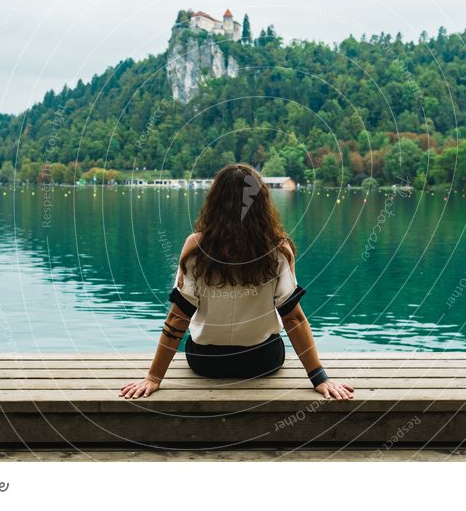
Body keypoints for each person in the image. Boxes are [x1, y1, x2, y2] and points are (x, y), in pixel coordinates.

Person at [120, 164, 354, 400]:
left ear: (214, 202)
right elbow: (293, 317)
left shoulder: (196, 250)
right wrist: (319, 378)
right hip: (262, 362)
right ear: (262, 205)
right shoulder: (276, 251)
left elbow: (178, 318)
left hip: (206, 363)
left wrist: (153, 377)